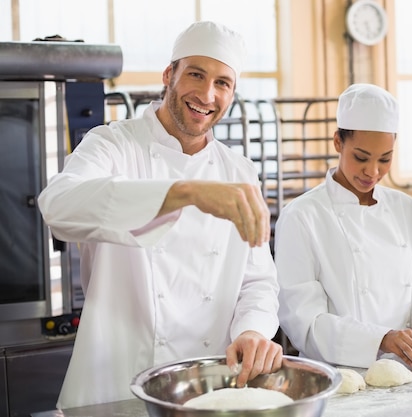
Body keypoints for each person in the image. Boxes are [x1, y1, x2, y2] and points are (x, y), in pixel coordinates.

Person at [37, 21, 283, 408]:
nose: (207, 94)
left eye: (223, 83)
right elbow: (58, 207)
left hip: (205, 388)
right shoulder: (112, 143)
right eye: (196, 75)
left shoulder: (239, 171)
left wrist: (253, 330)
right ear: (169, 75)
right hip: (113, 387)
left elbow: (258, 280)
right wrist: (183, 193)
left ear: (232, 94)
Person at [274, 83, 412, 369]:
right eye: (361, 157)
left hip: (411, 367)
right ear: (337, 143)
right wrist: (380, 339)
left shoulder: (406, 208)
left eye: (385, 159)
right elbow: (303, 322)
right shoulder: (302, 216)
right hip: (342, 376)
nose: (373, 172)